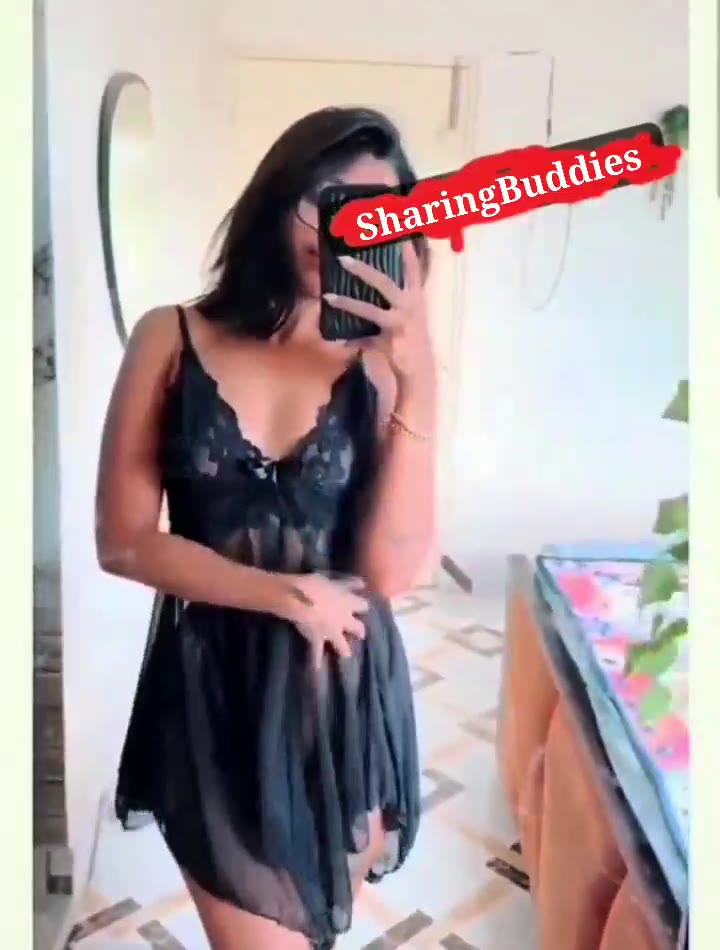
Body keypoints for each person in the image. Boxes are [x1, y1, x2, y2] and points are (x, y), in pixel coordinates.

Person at [95, 105, 437, 950]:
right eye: (327, 200)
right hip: (218, 695)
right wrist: (284, 595)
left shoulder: (380, 368)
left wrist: (422, 384)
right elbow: (124, 540)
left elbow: (389, 574)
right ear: (277, 199)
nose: (344, 229)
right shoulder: (172, 337)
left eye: (375, 211)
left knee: (314, 934)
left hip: (343, 699)